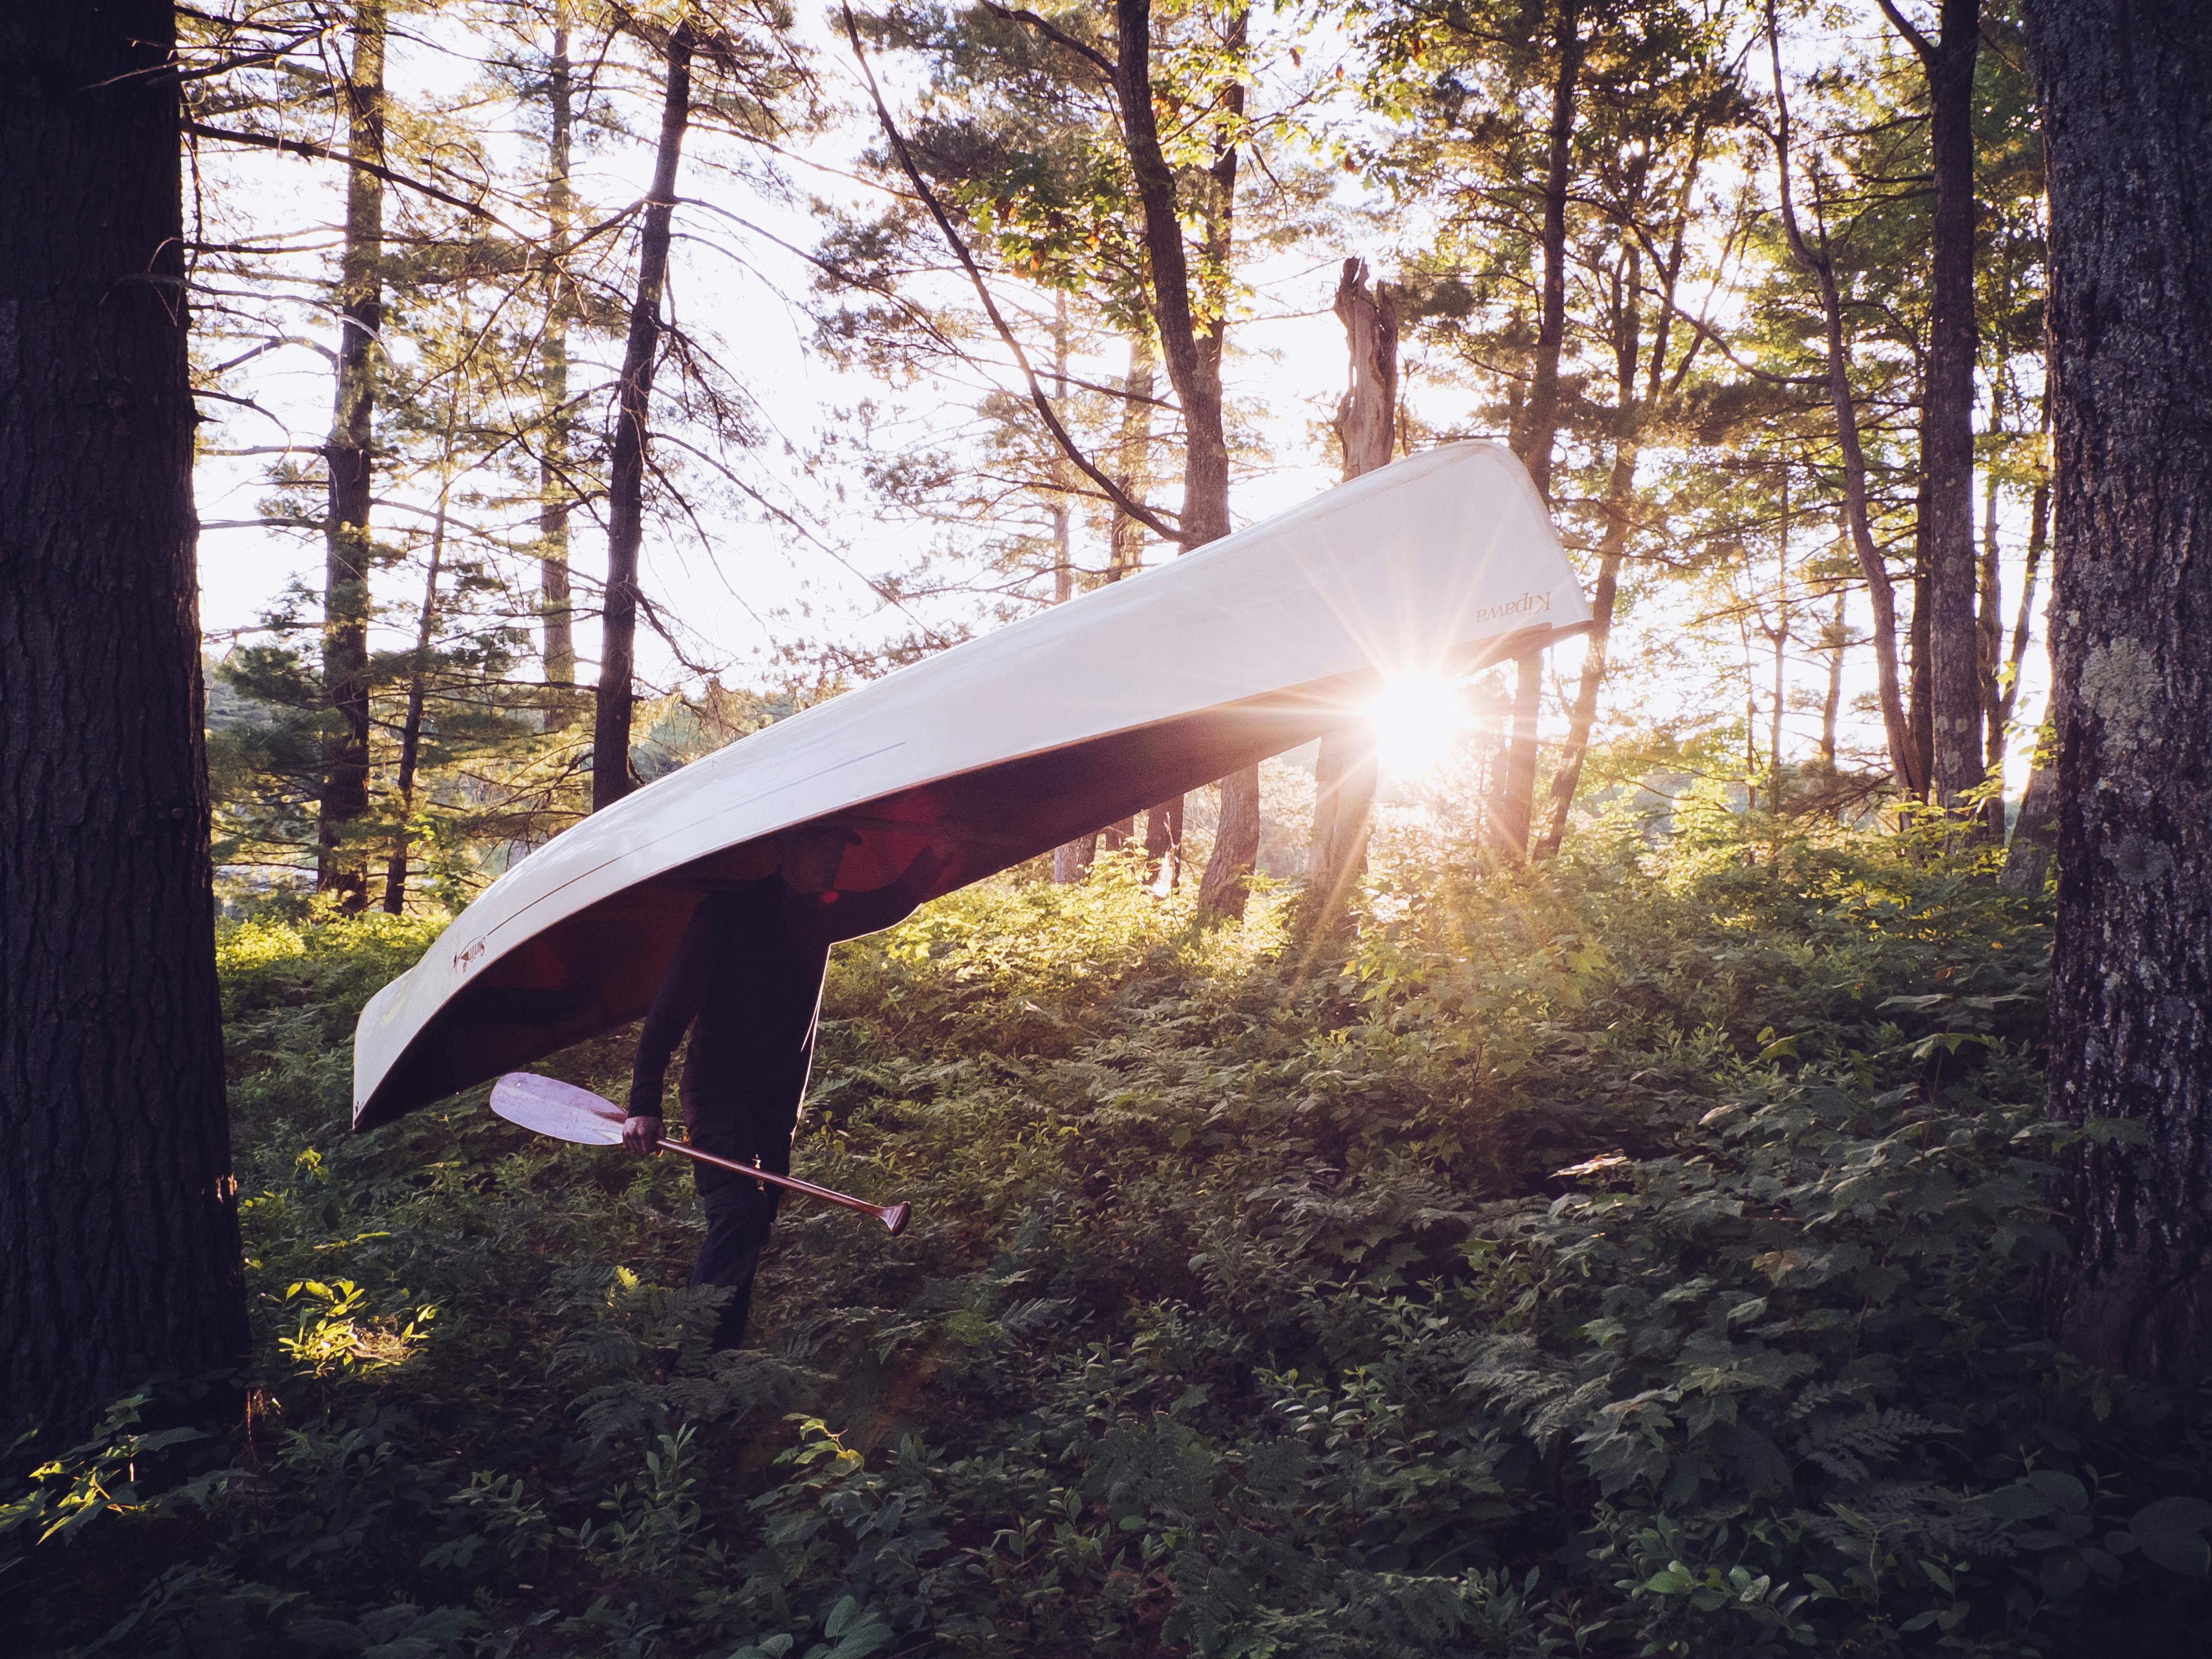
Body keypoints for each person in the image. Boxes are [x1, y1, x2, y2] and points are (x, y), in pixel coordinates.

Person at [622, 824, 952, 1350]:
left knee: (754, 1227)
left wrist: (937, 851)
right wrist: (643, 1105)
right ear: (787, 845)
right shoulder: (726, 915)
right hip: (717, 1095)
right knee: (738, 1213)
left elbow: (889, 903)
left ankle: (719, 1363)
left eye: (839, 846)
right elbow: (667, 1014)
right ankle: (686, 1368)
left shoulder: (824, 913)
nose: (833, 858)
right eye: (822, 844)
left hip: (777, 1106)